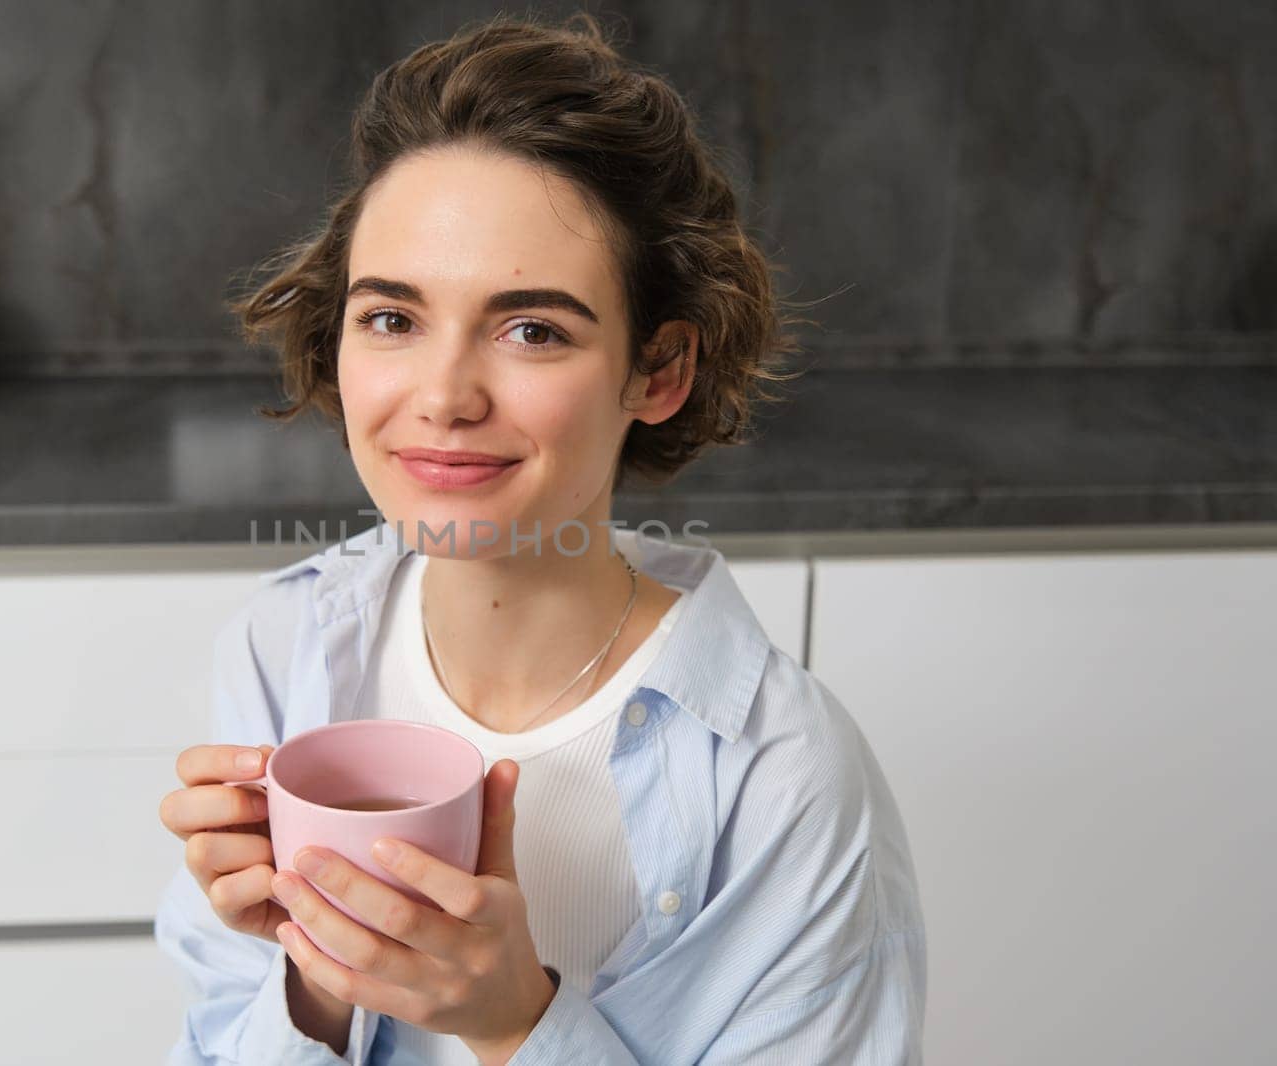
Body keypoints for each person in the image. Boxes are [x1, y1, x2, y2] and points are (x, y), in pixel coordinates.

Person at [155, 11, 926, 1065]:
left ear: (658, 370)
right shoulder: (286, 647)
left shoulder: (781, 777)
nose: (443, 396)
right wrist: (313, 983)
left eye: (533, 330)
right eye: (392, 318)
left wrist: (515, 1021)